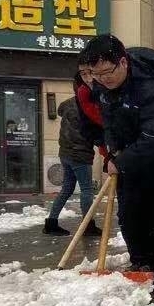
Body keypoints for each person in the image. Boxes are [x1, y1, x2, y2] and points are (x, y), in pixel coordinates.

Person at [83, 35, 154, 295]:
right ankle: (145, 265)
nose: (103, 79)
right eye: (95, 74)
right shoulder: (103, 87)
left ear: (123, 62)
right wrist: (113, 153)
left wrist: (122, 160)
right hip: (137, 150)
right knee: (130, 210)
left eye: (107, 72)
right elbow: (109, 123)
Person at [43, 84, 100, 237]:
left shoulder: (67, 104)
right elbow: (93, 133)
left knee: (67, 189)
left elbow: (61, 112)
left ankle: (51, 222)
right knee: (87, 190)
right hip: (80, 154)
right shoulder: (86, 108)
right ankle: (88, 225)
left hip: (65, 153)